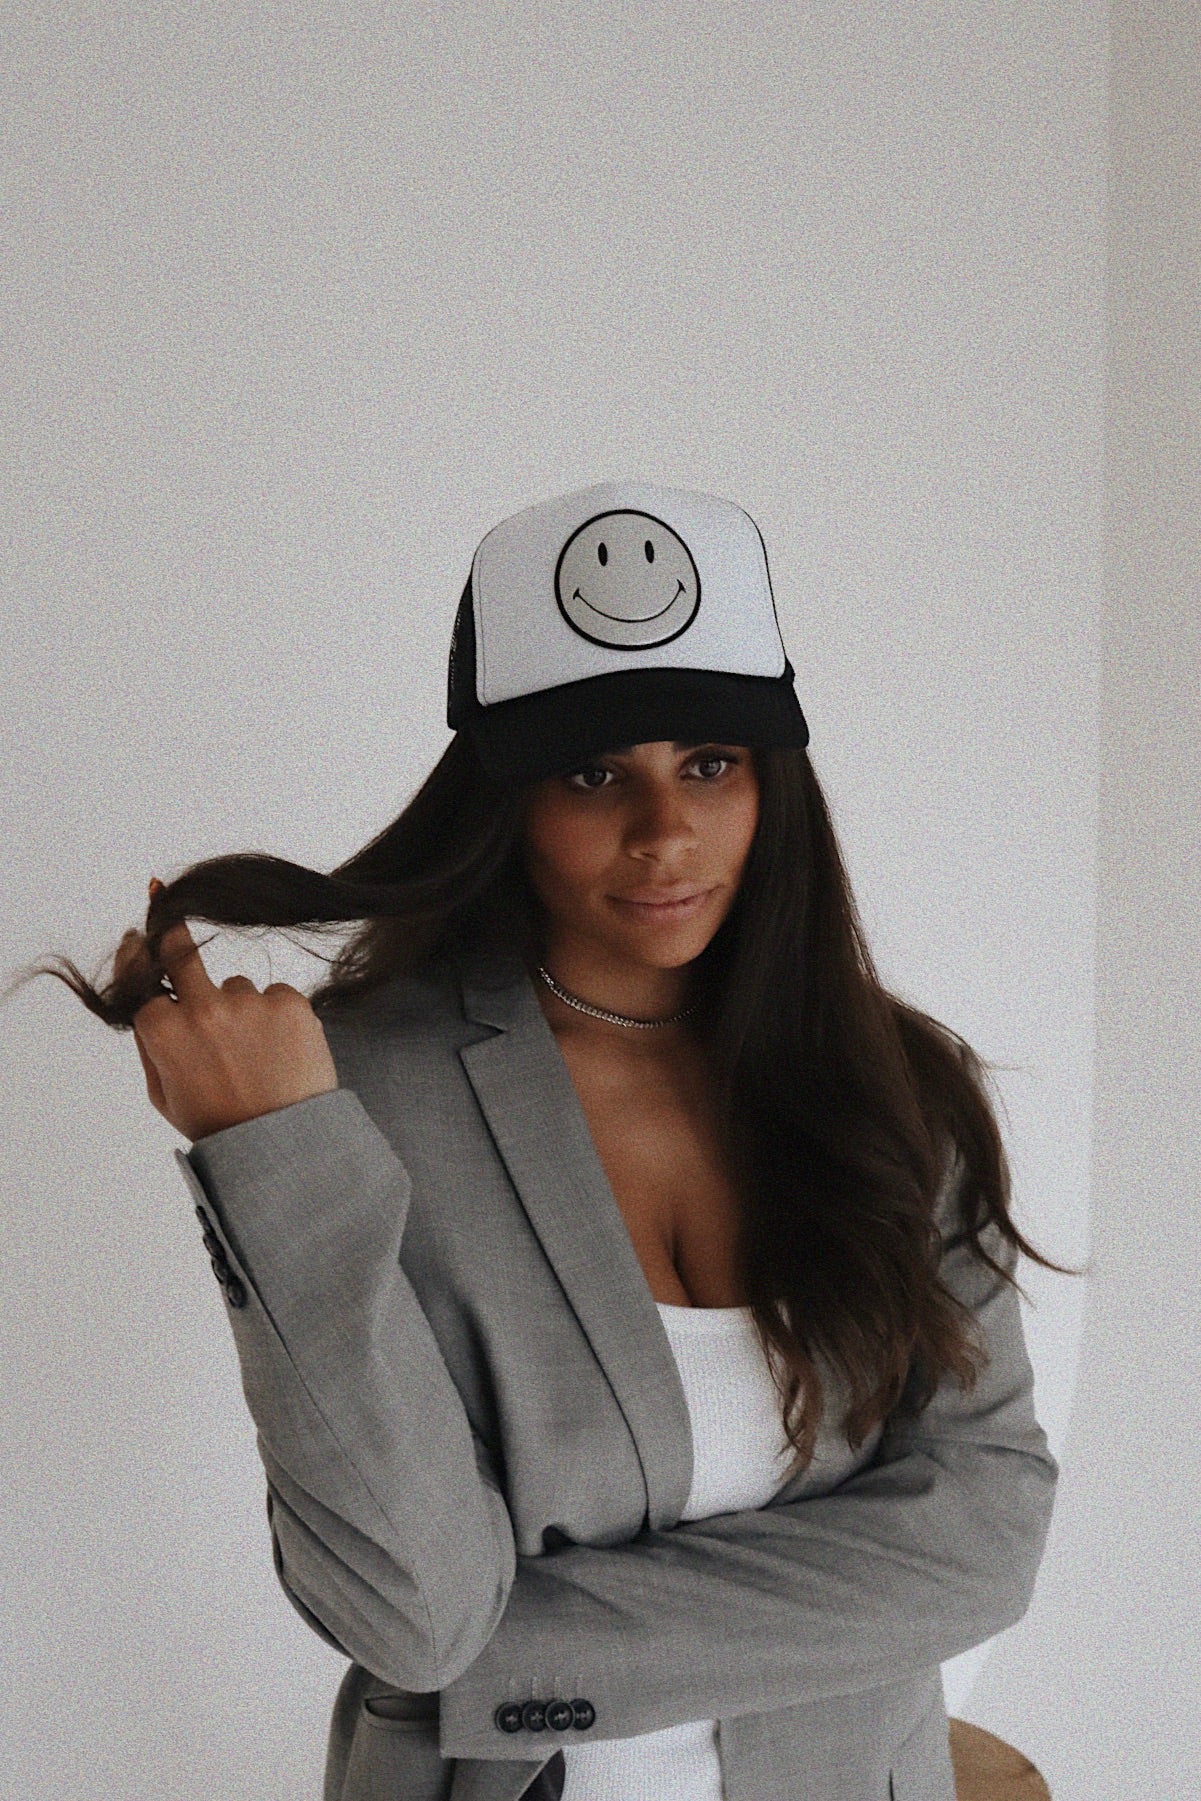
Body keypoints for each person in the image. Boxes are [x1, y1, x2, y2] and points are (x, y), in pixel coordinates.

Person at [35, 480, 1079, 1801]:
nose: (664, 832)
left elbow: (986, 1535)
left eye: (712, 763)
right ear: (503, 797)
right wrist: (276, 1154)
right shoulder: (351, 1099)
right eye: (594, 773)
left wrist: (511, 1647)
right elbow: (414, 1614)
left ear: (775, 784)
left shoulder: (892, 1089)